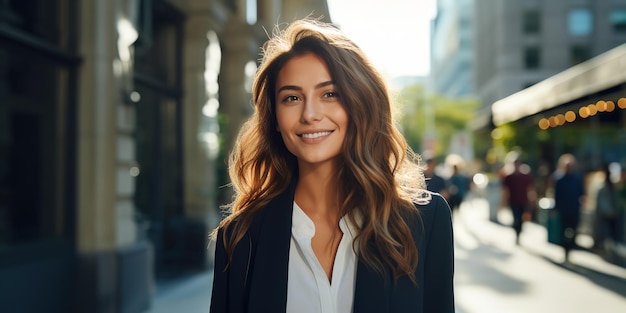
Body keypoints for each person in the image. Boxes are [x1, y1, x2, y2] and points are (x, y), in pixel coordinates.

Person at [209, 19, 454, 313]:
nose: (310, 114)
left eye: (329, 94)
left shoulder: (424, 221)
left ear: (359, 103)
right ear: (275, 119)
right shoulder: (240, 237)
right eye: (292, 98)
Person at [553, 153, 585, 263]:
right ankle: (565, 250)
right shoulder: (559, 179)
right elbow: (556, 196)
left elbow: (581, 193)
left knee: (573, 230)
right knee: (563, 231)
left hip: (574, 209)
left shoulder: (577, 179)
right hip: (563, 210)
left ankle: (570, 247)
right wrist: (555, 209)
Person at [501, 152, 536, 245]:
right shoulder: (509, 176)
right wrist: (503, 202)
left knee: (521, 219)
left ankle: (519, 233)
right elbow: (505, 190)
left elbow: (530, 188)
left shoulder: (525, 175)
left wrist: (532, 199)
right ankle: (516, 233)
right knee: (515, 218)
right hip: (513, 201)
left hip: (523, 201)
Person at [594, 163, 622, 254]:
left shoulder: (614, 188)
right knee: (604, 234)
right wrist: (610, 212)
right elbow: (603, 203)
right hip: (604, 216)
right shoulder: (603, 188)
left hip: (612, 216)